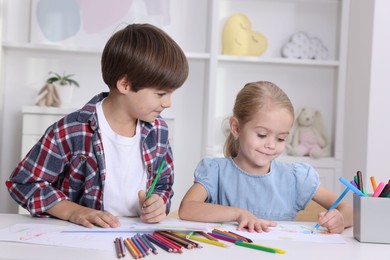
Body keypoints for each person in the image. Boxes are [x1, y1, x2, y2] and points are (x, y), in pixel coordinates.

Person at [6, 23, 189, 228]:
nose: (168, 103)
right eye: (161, 94)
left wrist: (159, 202)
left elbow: (163, 185)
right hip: (82, 237)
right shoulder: (71, 130)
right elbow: (24, 183)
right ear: (125, 84)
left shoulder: (159, 131)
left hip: (137, 236)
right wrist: (73, 211)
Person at [178, 81, 352, 234]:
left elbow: (349, 210)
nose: (271, 145)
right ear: (236, 128)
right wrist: (238, 214)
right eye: (262, 135)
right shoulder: (215, 171)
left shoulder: (295, 177)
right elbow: (187, 208)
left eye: (281, 138)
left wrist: (340, 219)